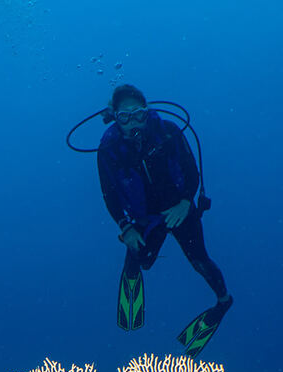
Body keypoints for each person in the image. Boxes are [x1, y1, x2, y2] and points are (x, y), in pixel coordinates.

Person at [98, 84, 231, 343]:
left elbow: (192, 173)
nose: (133, 123)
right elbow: (109, 195)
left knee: (200, 260)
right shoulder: (109, 150)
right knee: (143, 261)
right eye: (125, 117)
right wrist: (126, 227)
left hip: (179, 210)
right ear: (115, 117)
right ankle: (133, 259)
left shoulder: (168, 133)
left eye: (138, 114)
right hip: (144, 219)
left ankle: (223, 302)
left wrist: (185, 203)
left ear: (147, 112)